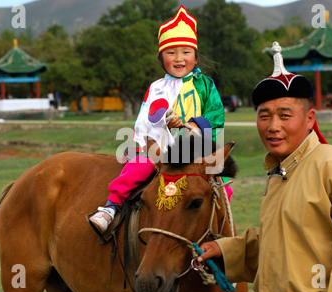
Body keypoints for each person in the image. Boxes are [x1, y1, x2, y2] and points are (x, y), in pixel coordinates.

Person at [196, 42, 332, 292]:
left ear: (310, 119)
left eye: (285, 115)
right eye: (264, 116)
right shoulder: (279, 171)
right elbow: (278, 245)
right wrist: (223, 251)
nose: (273, 126)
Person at [89, 6, 228, 233]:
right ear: (161, 58)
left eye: (186, 52)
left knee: (222, 188)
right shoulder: (156, 88)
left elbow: (216, 117)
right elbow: (145, 120)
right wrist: (163, 123)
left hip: (196, 152)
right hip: (162, 152)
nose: (179, 58)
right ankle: (111, 207)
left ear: (195, 55)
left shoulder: (205, 85)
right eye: (171, 52)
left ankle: (221, 231)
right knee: (138, 168)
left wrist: (192, 125)